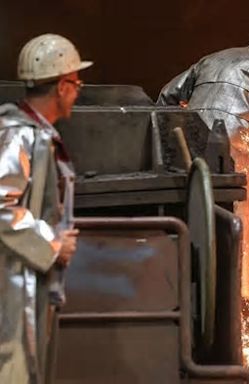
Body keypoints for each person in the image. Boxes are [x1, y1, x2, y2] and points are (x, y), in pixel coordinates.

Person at [158, 25, 249, 303]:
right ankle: (236, 311)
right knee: (238, 236)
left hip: (192, 151)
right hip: (239, 155)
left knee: (192, 223)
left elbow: (167, 95)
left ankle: (184, 304)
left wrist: (172, 141)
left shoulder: (213, 58)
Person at [0, 34, 92, 383]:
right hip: (9, 282)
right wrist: (52, 243)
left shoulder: (33, 133)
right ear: (63, 86)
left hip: (22, 277)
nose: (78, 91)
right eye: (77, 82)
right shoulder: (16, 135)